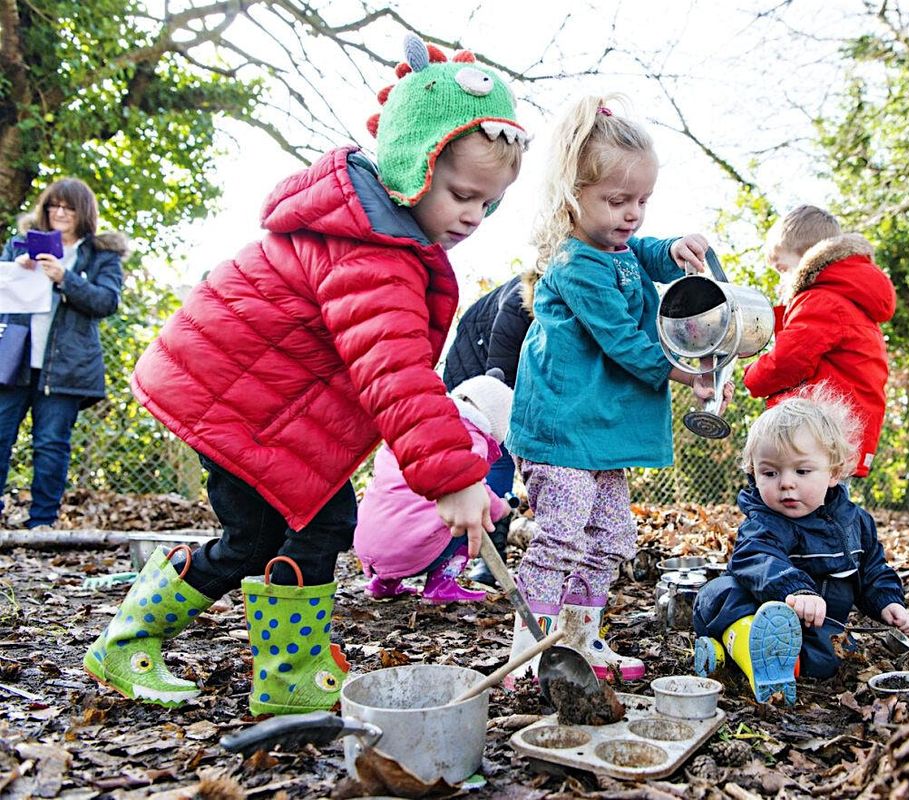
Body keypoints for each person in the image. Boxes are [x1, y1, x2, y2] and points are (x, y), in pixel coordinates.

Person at [82, 33, 528, 714]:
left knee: (273, 532)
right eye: (464, 194)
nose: (474, 215)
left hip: (254, 402)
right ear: (414, 164)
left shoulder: (377, 234)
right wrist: (455, 474)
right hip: (230, 402)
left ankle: (285, 660)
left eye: (488, 204)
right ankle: (182, 651)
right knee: (302, 526)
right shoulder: (372, 251)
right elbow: (393, 372)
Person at [504, 95, 725, 683]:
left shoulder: (617, 248)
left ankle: (578, 640)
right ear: (573, 196)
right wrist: (684, 370)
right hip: (563, 428)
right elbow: (622, 340)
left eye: (643, 202)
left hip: (600, 431)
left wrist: (673, 248)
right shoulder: (575, 265)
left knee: (611, 534)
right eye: (617, 201)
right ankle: (530, 650)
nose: (632, 214)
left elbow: (640, 254)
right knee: (562, 534)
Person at [692, 389, 909, 703]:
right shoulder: (764, 521)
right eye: (769, 472)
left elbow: (873, 570)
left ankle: (769, 662)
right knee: (716, 594)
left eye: (801, 471)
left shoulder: (856, 523)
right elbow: (757, 556)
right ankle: (743, 640)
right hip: (755, 609)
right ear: (753, 473)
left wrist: (887, 602)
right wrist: (796, 589)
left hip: (814, 626)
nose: (786, 483)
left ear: (834, 473)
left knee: (834, 656)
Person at [0, 178, 126, 529]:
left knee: (51, 444)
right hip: (14, 361)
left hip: (67, 368)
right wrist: (17, 271)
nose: (60, 212)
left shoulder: (100, 255)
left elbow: (106, 301)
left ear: (83, 212)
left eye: (69, 207)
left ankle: (41, 521)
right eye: (54, 205)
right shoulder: (20, 246)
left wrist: (65, 278)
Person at [742, 205, 894, 479]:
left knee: (801, 502)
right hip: (838, 432)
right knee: (827, 503)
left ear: (807, 258)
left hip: (816, 434)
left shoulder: (820, 301)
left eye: (782, 269)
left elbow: (789, 362)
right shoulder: (848, 299)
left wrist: (751, 375)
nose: (780, 281)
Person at [355, 373, 514, 603]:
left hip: (369, 543)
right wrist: (502, 508)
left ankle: (384, 582)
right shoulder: (468, 440)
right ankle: (442, 584)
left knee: (408, 507)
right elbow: (474, 494)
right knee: (469, 518)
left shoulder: (414, 428)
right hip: (408, 550)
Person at [441, 270, 537, 587]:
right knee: (499, 456)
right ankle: (485, 562)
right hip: (478, 373)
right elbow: (499, 380)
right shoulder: (518, 303)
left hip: (509, 375)